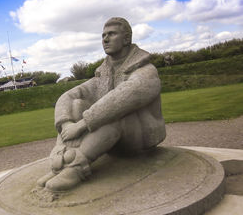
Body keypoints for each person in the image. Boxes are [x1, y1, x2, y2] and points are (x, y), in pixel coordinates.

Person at [37, 17, 166, 192]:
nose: (105, 39)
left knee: (116, 112)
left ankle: (76, 168)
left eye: (111, 34)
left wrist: (82, 125)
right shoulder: (103, 74)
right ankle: (61, 165)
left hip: (140, 139)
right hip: (111, 142)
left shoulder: (146, 71)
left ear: (126, 39)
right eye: (103, 35)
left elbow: (123, 97)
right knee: (76, 104)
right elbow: (68, 96)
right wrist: (67, 124)